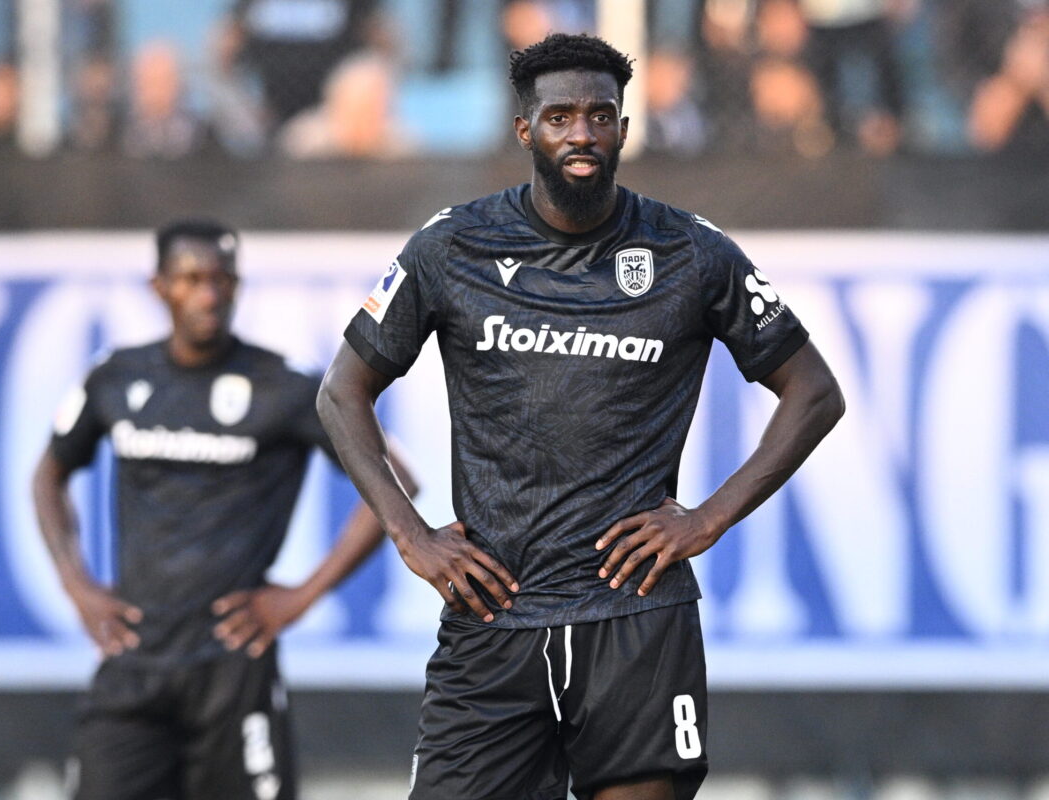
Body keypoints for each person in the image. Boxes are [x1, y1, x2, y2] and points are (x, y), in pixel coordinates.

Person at [317, 32, 844, 800]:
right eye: (560, 117)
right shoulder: (453, 245)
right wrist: (412, 535)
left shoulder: (690, 252)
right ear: (525, 129)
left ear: (624, 129)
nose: (582, 135)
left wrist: (708, 519)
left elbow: (815, 391)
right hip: (494, 613)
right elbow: (341, 391)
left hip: (636, 618)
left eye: (600, 116)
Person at [32, 219, 413, 800]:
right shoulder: (115, 376)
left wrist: (302, 595)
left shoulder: (285, 386)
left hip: (233, 669)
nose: (208, 295)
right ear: (160, 286)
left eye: (222, 279)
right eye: (191, 279)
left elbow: (397, 480)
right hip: (134, 661)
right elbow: (48, 476)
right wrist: (76, 585)